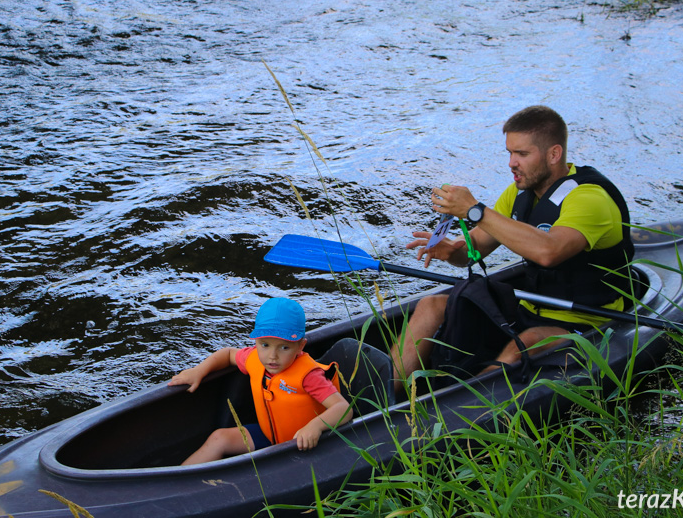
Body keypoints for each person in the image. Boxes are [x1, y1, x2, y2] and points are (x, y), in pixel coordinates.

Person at [391, 105, 634, 391]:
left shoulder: (589, 199)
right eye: (509, 153)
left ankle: (461, 416)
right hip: (528, 310)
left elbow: (549, 251)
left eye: (522, 154)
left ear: (554, 154)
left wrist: (475, 210)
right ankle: (382, 398)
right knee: (431, 305)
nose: (511, 163)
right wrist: (451, 250)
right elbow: (475, 249)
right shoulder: (519, 194)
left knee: (524, 345)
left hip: (586, 322)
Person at [169, 297, 353, 465]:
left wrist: (315, 427)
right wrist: (199, 370)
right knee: (219, 438)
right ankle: (178, 481)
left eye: (284, 347)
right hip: (269, 436)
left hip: (304, 445)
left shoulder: (309, 376)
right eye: (265, 345)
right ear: (256, 341)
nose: (272, 356)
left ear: (300, 346)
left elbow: (343, 409)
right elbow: (227, 354)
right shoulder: (254, 359)